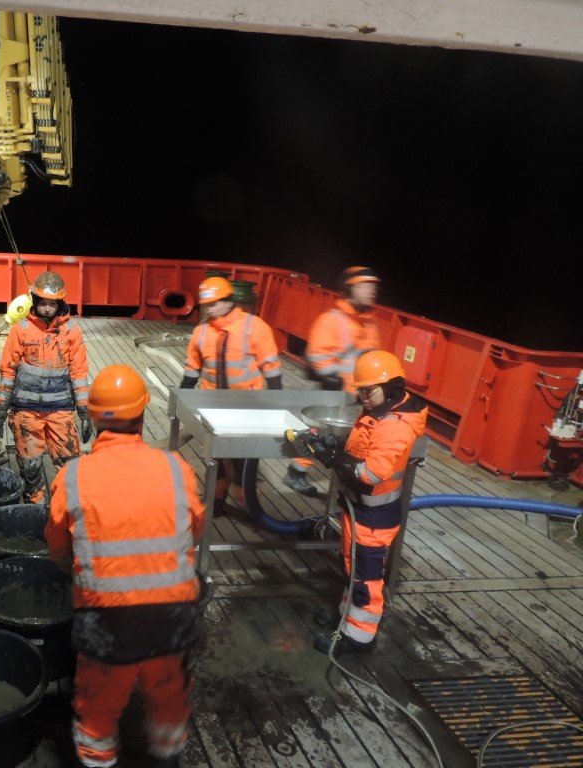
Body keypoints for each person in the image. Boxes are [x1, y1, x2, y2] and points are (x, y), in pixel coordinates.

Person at [46, 365, 206, 768]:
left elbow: (57, 546)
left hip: (107, 621)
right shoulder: (176, 468)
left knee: (98, 703)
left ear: (95, 417)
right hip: (171, 616)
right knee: (168, 691)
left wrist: (72, 566)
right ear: (142, 414)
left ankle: (99, 761)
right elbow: (196, 529)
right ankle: (167, 756)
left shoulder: (74, 476)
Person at [306, 351, 427, 654]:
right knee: (351, 565)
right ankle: (347, 616)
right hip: (358, 508)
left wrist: (337, 460)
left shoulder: (395, 424)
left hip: (374, 516)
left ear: (390, 386)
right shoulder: (381, 411)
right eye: (359, 390)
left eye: (366, 390)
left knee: (366, 576)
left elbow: (372, 472)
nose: (361, 397)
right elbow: (363, 449)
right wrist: (339, 448)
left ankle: (358, 636)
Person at [179, 275, 282, 513]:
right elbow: (192, 369)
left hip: (247, 405)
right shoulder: (202, 332)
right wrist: (182, 398)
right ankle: (216, 498)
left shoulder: (253, 326)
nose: (211, 308)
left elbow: (270, 365)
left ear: (229, 300)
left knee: (245, 455)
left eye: (215, 303)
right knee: (215, 455)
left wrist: (278, 399)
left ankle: (246, 497)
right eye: (207, 304)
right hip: (212, 406)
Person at [0, 271, 91, 504]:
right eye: (42, 303)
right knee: (30, 467)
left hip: (61, 410)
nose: (46, 309)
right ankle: (36, 511)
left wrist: (84, 411)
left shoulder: (71, 331)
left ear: (60, 303)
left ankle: (64, 511)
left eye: (51, 304)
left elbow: (79, 373)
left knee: (69, 464)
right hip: (26, 411)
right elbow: (8, 372)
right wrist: (0, 410)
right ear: (34, 302)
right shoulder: (20, 330)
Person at [284, 266, 382, 496]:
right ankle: (296, 473)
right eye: (365, 285)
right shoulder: (332, 320)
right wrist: (336, 380)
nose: (371, 291)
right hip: (336, 394)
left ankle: (347, 484)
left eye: (374, 286)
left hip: (361, 398)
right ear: (349, 289)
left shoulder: (370, 324)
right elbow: (316, 358)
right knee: (319, 436)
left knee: (353, 442)